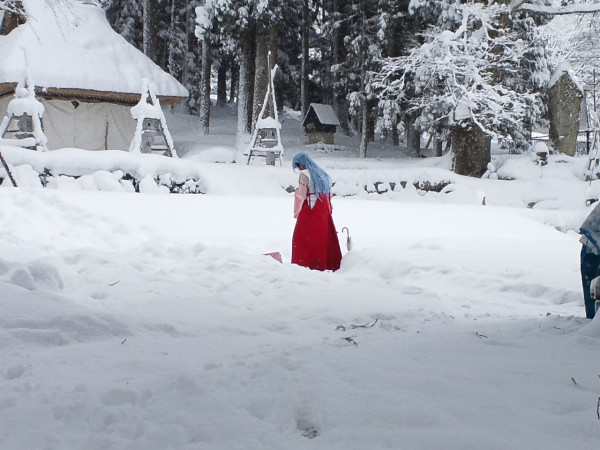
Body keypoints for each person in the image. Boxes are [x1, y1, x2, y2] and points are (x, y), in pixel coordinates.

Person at [291, 152, 342, 271]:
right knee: (322, 237)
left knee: (302, 238)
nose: (298, 168)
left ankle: (305, 263)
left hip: (310, 209)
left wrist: (297, 212)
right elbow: (329, 194)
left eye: (298, 165)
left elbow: (301, 195)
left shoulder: (304, 174)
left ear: (301, 164)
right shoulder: (321, 173)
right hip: (323, 209)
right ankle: (325, 263)